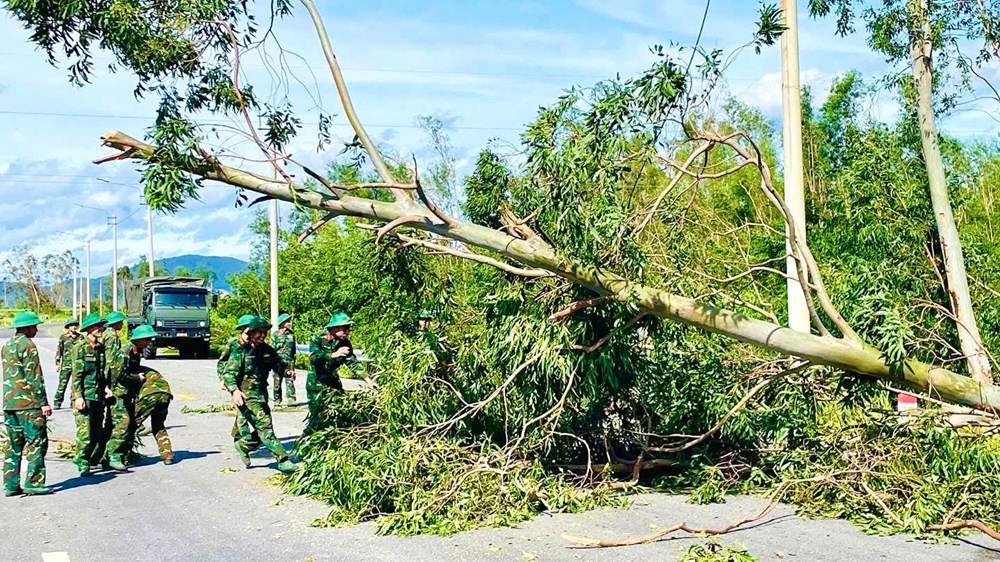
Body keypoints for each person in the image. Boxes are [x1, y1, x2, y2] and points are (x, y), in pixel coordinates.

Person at [219, 317, 297, 473]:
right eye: (259, 332)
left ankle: (243, 445)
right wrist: (234, 390)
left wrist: (287, 372)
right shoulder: (242, 351)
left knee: (263, 428)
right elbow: (228, 373)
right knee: (265, 427)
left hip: (261, 394)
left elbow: (279, 365)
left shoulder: (268, 350)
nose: (262, 335)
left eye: (264, 332)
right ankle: (283, 459)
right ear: (251, 332)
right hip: (246, 396)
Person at [2, 310, 53, 496]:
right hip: (28, 405)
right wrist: (43, 403)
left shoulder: (7, 346)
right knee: (36, 442)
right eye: (34, 326)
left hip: (9, 404)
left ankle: (10, 485)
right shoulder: (28, 346)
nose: (37, 330)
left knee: (13, 445)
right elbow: (34, 377)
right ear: (27, 327)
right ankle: (34, 482)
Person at [106, 324, 156, 470]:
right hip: (118, 393)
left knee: (129, 424)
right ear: (138, 339)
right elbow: (118, 374)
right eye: (146, 339)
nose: (148, 342)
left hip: (128, 393)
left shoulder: (136, 353)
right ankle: (113, 456)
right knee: (123, 423)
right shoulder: (125, 352)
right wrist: (136, 377)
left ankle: (121, 454)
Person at [71, 312, 112, 477]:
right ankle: (82, 461)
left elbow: (101, 373)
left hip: (98, 396)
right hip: (84, 396)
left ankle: (90, 458)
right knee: (85, 433)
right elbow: (76, 375)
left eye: (102, 326)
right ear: (89, 329)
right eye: (97, 326)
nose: (101, 329)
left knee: (96, 431)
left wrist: (106, 388)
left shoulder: (100, 348)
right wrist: (78, 396)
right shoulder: (80, 348)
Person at [304, 312, 355, 435]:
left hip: (333, 384)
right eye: (345, 329)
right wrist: (333, 355)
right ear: (335, 328)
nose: (347, 332)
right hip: (317, 384)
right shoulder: (318, 338)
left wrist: (368, 380)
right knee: (317, 418)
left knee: (341, 413)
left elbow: (352, 362)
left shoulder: (345, 342)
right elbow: (313, 358)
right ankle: (308, 442)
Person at [133, 368, 174, 465]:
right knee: (158, 425)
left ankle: (122, 454)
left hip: (149, 394)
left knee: (130, 425)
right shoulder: (150, 370)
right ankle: (168, 456)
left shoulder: (133, 371)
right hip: (165, 394)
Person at [53, 317, 80, 408]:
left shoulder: (80, 337)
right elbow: (59, 351)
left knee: (76, 384)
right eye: (71, 325)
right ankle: (57, 402)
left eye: (75, 325)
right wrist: (57, 364)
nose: (74, 327)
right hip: (66, 364)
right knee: (62, 384)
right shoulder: (63, 337)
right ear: (68, 327)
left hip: (77, 365)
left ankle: (73, 402)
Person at [270, 313, 296, 405]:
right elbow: (272, 350)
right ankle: (277, 400)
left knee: (290, 381)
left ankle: (291, 399)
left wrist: (293, 366)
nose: (289, 323)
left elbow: (293, 351)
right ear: (283, 323)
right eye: (287, 321)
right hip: (278, 362)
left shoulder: (291, 335)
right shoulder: (275, 335)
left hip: (289, 362)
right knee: (277, 382)